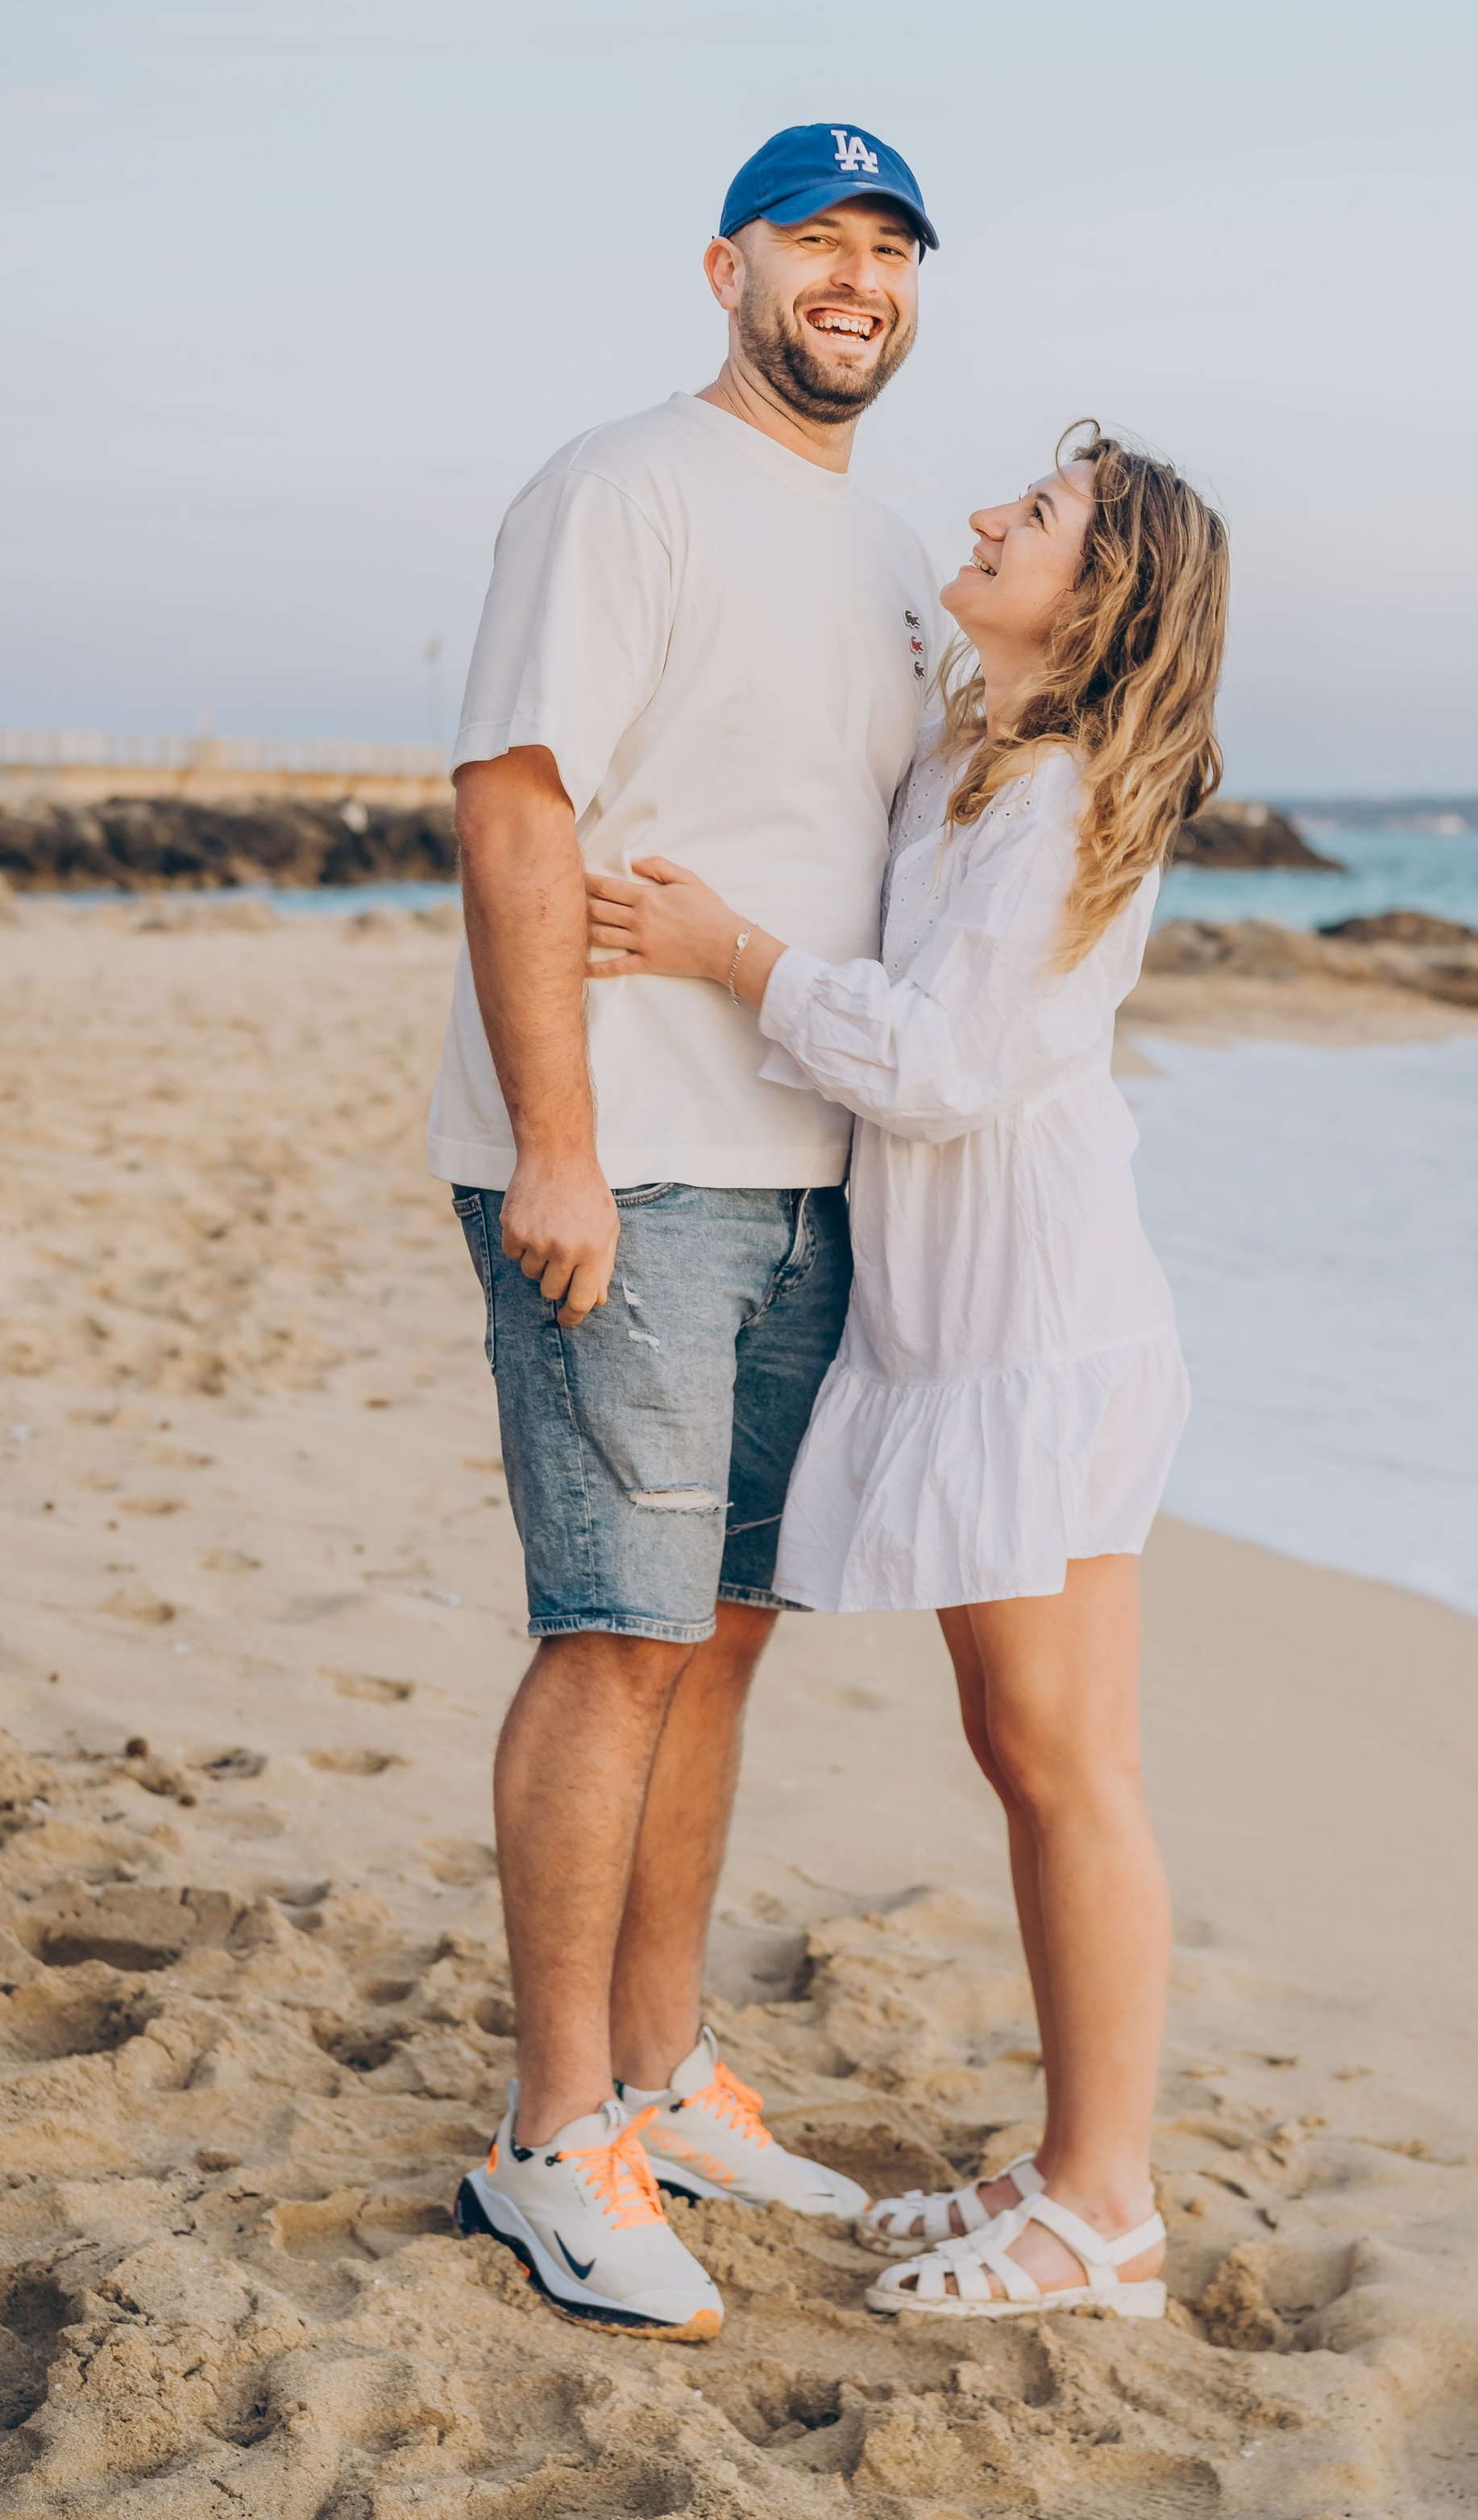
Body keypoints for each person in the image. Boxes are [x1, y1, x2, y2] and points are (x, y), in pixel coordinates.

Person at [583, 424, 1230, 2321]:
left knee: (1064, 1769)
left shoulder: (1060, 800)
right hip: (962, 1318)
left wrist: (728, 948)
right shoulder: (979, 759)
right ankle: (1067, 2159)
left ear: (1096, 594)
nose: (982, 518)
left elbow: (945, 1062)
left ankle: (1102, 2208)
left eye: (1029, 518)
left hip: (1033, 1323)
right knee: (1025, 1756)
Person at [429, 123, 943, 2342]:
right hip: (621, 1156)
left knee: (722, 1634)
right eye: (819, 241)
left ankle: (661, 2073)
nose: (858, 278)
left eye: (894, 250)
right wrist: (555, 1136)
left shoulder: (888, 540)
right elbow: (517, 793)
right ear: (726, 265)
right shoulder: (619, 485)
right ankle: (554, 2138)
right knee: (615, 1635)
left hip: (804, 1165)